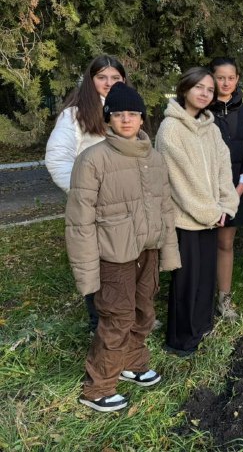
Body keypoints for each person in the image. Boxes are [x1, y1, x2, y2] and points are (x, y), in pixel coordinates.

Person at [65, 82, 180, 412]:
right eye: (119, 114)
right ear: (108, 119)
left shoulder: (155, 159)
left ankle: (132, 362)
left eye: (133, 114)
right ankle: (98, 387)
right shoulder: (92, 160)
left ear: (143, 119)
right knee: (117, 317)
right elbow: (79, 222)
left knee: (144, 311)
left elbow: (165, 209)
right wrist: (87, 273)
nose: (126, 120)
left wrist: (168, 252)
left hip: (148, 251)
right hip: (113, 255)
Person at [156, 68, 239, 356]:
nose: (204, 94)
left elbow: (223, 170)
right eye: (198, 88)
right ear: (185, 89)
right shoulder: (170, 130)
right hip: (185, 219)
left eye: (209, 90)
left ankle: (201, 328)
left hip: (212, 217)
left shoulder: (211, 129)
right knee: (187, 282)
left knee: (205, 277)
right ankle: (180, 341)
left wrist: (227, 206)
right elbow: (180, 181)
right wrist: (209, 211)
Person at [46, 55, 127, 332]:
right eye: (102, 77)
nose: (108, 83)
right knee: (96, 267)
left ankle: (124, 319)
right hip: (92, 210)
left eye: (115, 77)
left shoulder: (125, 113)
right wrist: (86, 193)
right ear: (90, 80)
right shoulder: (76, 114)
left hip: (123, 211)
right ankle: (100, 328)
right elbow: (58, 159)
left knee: (121, 266)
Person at [208, 58, 243, 321]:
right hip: (203, 189)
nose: (226, 82)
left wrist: (237, 191)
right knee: (199, 244)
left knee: (225, 243)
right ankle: (199, 296)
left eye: (231, 77)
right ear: (212, 78)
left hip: (234, 188)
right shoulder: (202, 108)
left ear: (237, 79)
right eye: (220, 77)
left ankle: (224, 299)